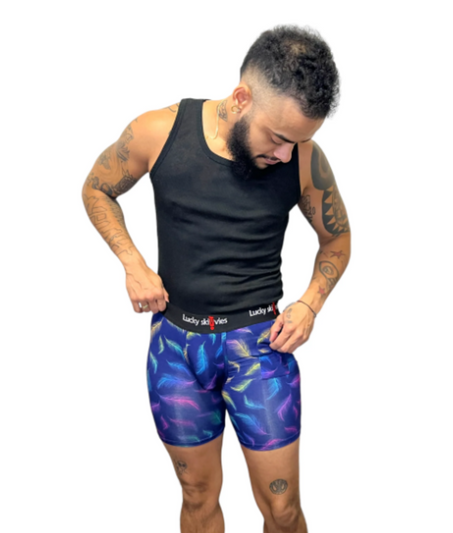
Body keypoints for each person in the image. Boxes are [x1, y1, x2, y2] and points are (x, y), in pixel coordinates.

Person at [82, 24, 350, 533]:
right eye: (279, 138)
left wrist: (310, 304)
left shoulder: (304, 160)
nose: (287, 154)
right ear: (242, 98)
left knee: (282, 511)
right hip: (176, 351)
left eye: (300, 141)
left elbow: (337, 239)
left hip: (261, 351)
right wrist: (133, 263)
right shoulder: (158, 131)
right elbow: (97, 188)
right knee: (197, 497)